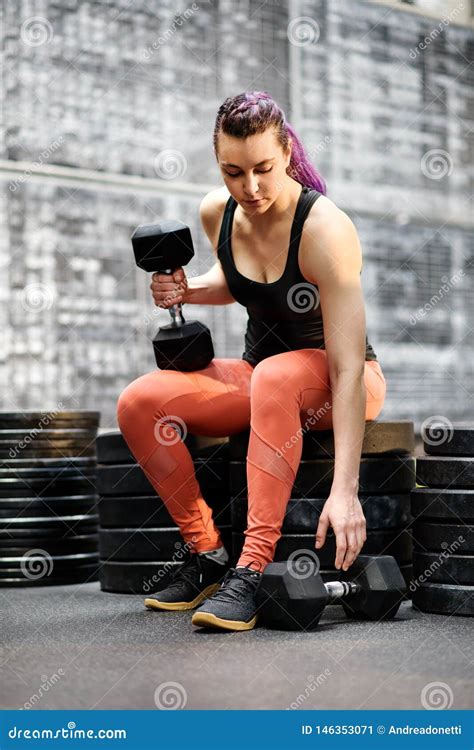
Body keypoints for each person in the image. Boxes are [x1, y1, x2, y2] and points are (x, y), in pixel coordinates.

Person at [117, 91, 386, 632]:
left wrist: (346, 490)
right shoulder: (219, 210)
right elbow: (236, 282)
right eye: (233, 172)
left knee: (277, 374)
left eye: (263, 168)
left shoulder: (324, 228)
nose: (251, 187)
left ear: (286, 152)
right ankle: (208, 554)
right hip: (265, 379)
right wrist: (186, 290)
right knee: (140, 401)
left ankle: (251, 567)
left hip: (342, 380)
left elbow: (349, 367)